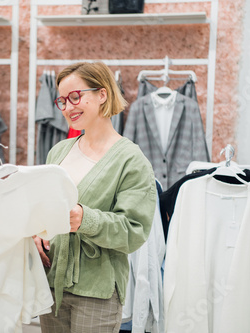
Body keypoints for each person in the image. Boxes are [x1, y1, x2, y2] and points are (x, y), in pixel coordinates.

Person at [33, 62, 157, 332]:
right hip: (52, 285)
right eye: (62, 101)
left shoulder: (131, 160)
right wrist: (39, 233)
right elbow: (45, 208)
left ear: (102, 95)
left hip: (97, 292)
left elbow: (134, 231)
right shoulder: (59, 152)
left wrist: (84, 219)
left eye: (75, 97)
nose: (67, 107)